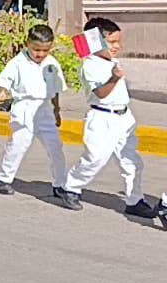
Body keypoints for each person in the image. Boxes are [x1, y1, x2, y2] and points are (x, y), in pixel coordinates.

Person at [57, 18, 155, 216]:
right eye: (111, 42)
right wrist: (114, 78)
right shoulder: (90, 64)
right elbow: (101, 93)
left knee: (132, 161)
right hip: (102, 118)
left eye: (118, 41)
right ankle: (71, 186)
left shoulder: (112, 61)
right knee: (96, 158)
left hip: (123, 117)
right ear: (95, 41)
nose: (117, 46)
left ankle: (134, 200)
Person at [0, 24, 68, 196]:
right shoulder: (18, 62)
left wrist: (56, 110)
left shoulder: (52, 64)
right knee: (18, 145)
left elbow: (54, 90)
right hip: (25, 108)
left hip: (45, 109)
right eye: (36, 49)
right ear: (27, 44)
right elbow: (5, 80)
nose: (40, 54)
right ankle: (3, 178)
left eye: (45, 50)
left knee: (55, 147)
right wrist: (2, 91)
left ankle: (61, 184)